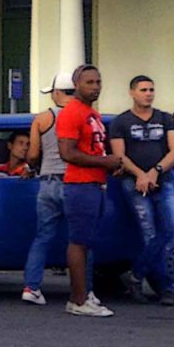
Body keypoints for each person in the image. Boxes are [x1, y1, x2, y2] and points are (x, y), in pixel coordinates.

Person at [53, 66, 122, 317]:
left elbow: (93, 149)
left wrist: (108, 164)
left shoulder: (91, 112)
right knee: (79, 242)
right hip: (80, 185)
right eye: (89, 82)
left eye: (98, 82)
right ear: (77, 85)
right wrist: (105, 162)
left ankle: (85, 293)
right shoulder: (71, 112)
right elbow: (67, 153)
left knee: (88, 242)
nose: (95, 86)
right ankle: (78, 299)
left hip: (96, 183)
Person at [111, 75, 174, 302]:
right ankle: (165, 288)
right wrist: (140, 175)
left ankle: (135, 274)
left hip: (163, 181)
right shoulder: (121, 122)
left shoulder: (165, 119)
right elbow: (119, 155)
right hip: (133, 183)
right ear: (132, 93)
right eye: (143, 90)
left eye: (151, 90)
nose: (148, 94)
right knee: (149, 233)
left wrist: (155, 171)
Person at [20, 69, 75, 307]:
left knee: (43, 237)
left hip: (48, 182)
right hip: (75, 183)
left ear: (57, 92)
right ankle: (84, 289)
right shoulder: (83, 115)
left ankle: (32, 287)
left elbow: (33, 155)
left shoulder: (43, 118)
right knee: (80, 240)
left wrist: (32, 168)